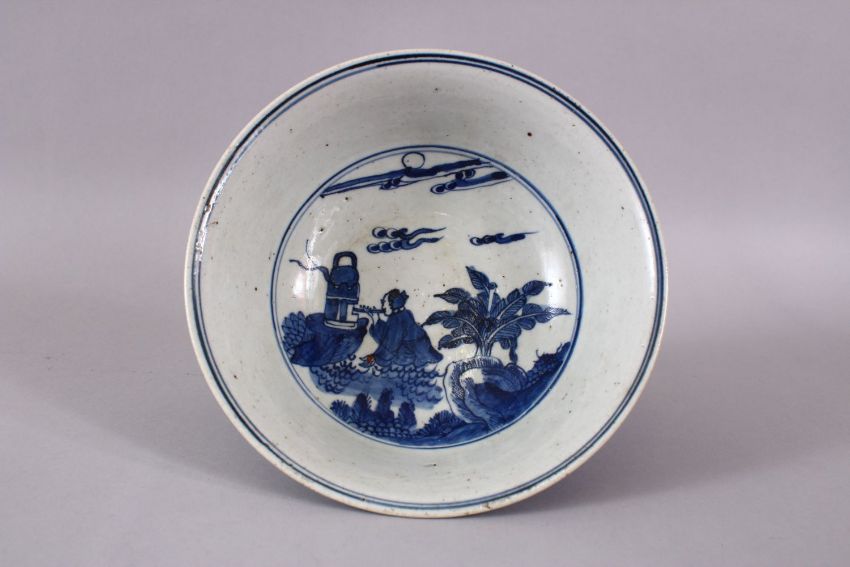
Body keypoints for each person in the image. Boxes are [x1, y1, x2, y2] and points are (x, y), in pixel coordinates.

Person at [362, 289, 442, 368]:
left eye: (384, 303)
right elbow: (387, 334)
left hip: (416, 352)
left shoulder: (397, 319)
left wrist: (375, 357)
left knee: (394, 355)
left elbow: (391, 345)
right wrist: (375, 320)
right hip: (415, 348)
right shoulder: (402, 313)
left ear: (392, 304)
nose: (382, 306)